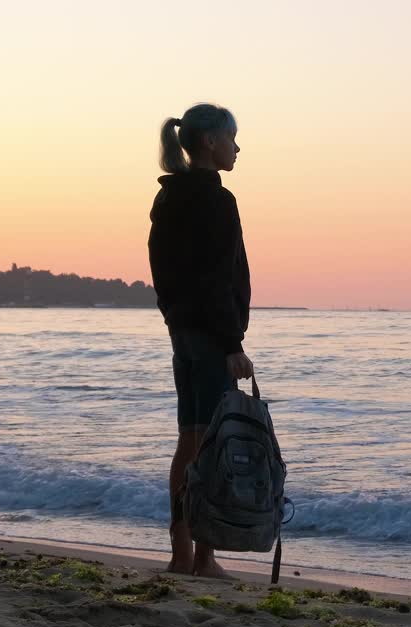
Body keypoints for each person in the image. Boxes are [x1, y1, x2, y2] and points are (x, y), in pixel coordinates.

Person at [148, 102, 252, 578]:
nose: (238, 147)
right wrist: (233, 342)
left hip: (183, 332)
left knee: (189, 440)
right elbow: (218, 278)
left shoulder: (168, 198)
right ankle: (205, 558)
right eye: (232, 138)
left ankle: (180, 554)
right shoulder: (216, 199)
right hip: (210, 335)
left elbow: (164, 274)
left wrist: (175, 318)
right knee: (211, 444)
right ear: (210, 142)